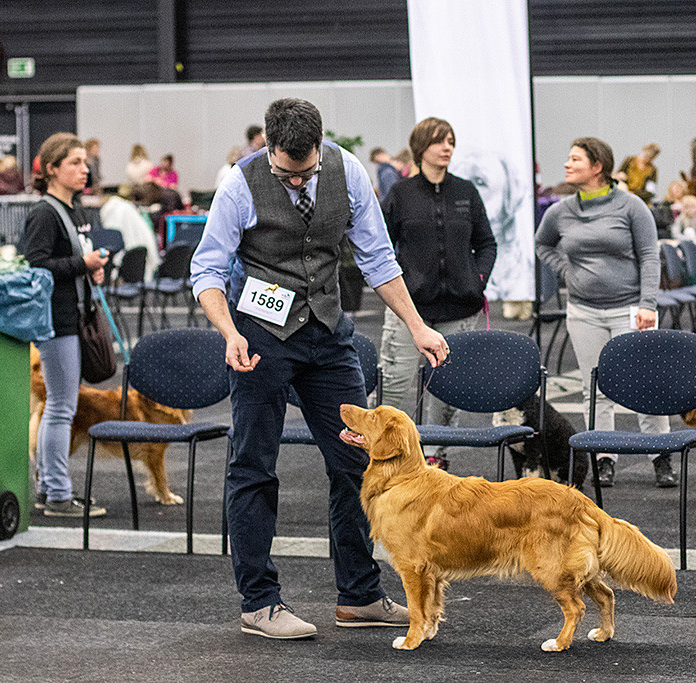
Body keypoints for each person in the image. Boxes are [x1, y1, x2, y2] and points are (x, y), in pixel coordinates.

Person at [190, 97, 449, 640]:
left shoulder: (347, 170)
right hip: (259, 335)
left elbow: (379, 257)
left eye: (305, 171)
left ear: (320, 147)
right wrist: (230, 332)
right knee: (253, 466)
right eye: (287, 172)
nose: (297, 180)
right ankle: (259, 603)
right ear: (268, 146)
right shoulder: (239, 182)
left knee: (358, 463)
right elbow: (208, 269)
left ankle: (358, 597)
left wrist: (419, 326)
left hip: (328, 334)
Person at [535, 137, 675, 489]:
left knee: (644, 385)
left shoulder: (631, 206)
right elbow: (542, 244)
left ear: (597, 167)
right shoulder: (560, 210)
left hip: (629, 308)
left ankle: (660, 456)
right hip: (583, 311)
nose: (567, 165)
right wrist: (566, 271)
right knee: (594, 388)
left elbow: (648, 256)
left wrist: (648, 303)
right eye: (568, 159)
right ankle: (604, 459)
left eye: (575, 160)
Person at [378, 118, 497, 469]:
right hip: (408, 308)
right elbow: (380, 247)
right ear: (421, 148)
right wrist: (399, 282)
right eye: (438, 141)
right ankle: (390, 454)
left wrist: (477, 279)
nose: (447, 147)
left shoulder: (466, 192)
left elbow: (486, 243)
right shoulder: (400, 194)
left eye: (450, 141)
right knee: (396, 384)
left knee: (444, 392)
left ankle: (436, 456)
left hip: (459, 308)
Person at [22, 132, 109, 518]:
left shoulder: (75, 210)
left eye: (84, 162)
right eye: (74, 162)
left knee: (60, 406)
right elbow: (35, 266)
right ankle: (57, 493)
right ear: (52, 169)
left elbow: (69, 262)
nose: (83, 168)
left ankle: (50, 489)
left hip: (73, 315)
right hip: (57, 321)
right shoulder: (44, 213)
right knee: (60, 408)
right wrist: (83, 266)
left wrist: (91, 271)